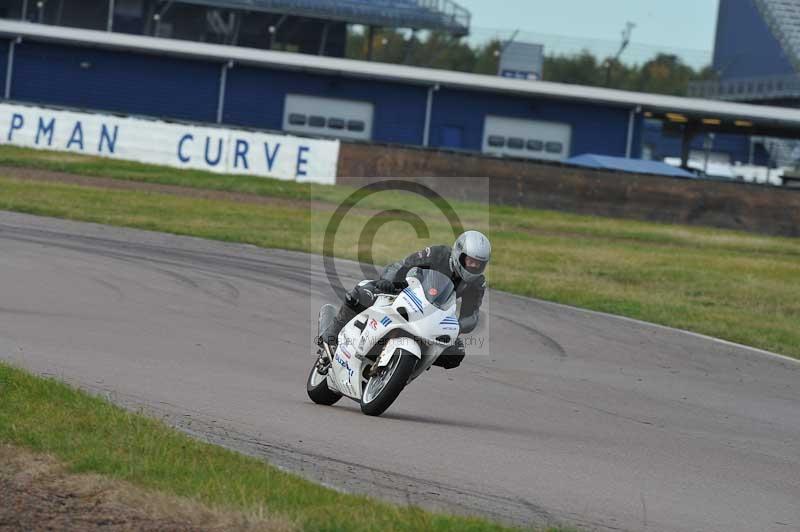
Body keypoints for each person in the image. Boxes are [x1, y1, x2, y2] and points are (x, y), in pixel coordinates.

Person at [319, 230, 491, 369]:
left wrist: (459, 327)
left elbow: (472, 314)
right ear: (459, 253)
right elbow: (403, 265)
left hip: (434, 315)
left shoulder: (477, 283)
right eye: (470, 261)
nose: (473, 266)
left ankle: (410, 365)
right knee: (361, 294)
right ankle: (331, 335)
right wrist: (388, 281)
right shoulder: (438, 253)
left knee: (456, 353)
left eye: (478, 264)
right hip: (406, 293)